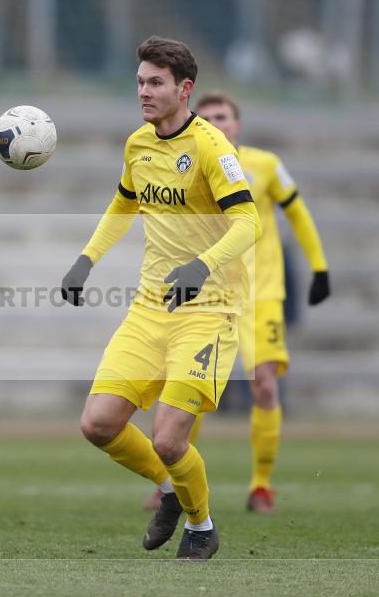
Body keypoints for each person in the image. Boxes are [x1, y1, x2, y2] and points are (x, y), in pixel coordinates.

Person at [61, 37, 261, 560]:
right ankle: (172, 488)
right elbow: (123, 204)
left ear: (184, 88)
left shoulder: (213, 147)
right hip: (150, 309)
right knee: (97, 424)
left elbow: (249, 222)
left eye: (155, 83)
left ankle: (202, 526)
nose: (144, 93)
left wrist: (202, 266)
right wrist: (86, 260)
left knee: (171, 438)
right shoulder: (138, 145)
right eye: (140, 83)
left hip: (210, 311)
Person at [142, 91, 330, 514]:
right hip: (213, 295)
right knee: (194, 387)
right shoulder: (189, 164)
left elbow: (297, 213)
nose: (216, 123)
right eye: (207, 117)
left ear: (237, 124)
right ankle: (172, 482)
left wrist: (319, 267)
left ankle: (261, 486)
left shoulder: (265, 165)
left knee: (264, 383)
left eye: (223, 116)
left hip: (262, 294)